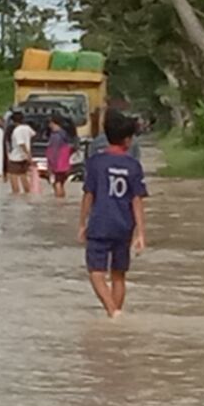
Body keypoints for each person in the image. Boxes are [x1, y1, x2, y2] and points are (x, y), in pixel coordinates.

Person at [79, 109, 148, 318]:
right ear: (127, 140)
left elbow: (88, 195)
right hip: (124, 226)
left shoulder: (96, 162)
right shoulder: (133, 166)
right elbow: (137, 200)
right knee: (119, 275)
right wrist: (140, 232)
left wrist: (82, 223)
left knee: (96, 272)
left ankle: (112, 312)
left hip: (99, 224)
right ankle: (115, 314)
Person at [7, 110, 36, 194]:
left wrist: (28, 154)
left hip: (15, 157)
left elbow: (21, 144)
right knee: (24, 176)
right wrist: (29, 151)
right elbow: (34, 135)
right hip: (24, 158)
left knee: (13, 177)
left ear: (13, 121)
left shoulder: (16, 130)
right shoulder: (27, 128)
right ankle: (27, 194)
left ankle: (16, 196)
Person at [46, 114, 74, 199]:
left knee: (57, 183)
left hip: (57, 164)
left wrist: (50, 164)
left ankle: (59, 202)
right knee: (60, 183)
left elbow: (53, 151)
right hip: (64, 163)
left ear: (53, 123)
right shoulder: (64, 134)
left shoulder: (55, 136)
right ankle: (62, 199)